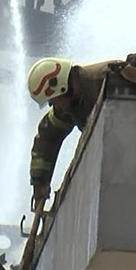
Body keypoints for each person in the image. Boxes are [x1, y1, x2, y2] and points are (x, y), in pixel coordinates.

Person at [26, 57, 118, 212]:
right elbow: (48, 137)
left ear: (61, 87)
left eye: (52, 100)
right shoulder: (70, 103)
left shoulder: (104, 81)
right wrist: (40, 182)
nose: (52, 105)